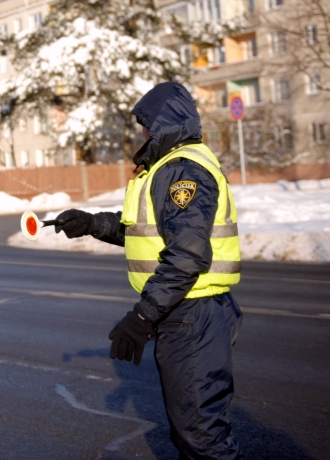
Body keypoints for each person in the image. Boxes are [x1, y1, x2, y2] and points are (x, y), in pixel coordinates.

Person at [50, 82, 243, 460]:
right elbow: (149, 233)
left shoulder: (181, 170)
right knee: (192, 430)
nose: (142, 132)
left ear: (164, 122)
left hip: (192, 314)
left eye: (146, 124)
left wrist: (141, 316)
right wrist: (91, 223)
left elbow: (187, 257)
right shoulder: (166, 168)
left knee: (202, 437)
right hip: (188, 312)